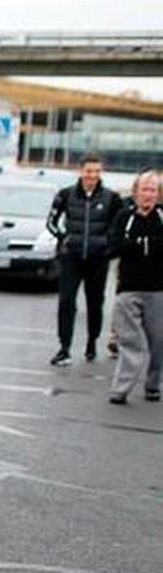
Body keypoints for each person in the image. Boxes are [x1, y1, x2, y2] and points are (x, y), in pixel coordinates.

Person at [45, 154, 123, 365]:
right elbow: (51, 222)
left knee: (95, 303)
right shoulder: (66, 194)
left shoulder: (111, 198)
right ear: (80, 171)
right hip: (71, 257)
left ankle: (91, 342)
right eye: (89, 171)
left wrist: (108, 246)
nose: (93, 176)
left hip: (98, 259)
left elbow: (118, 226)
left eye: (97, 171)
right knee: (66, 301)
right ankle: (64, 347)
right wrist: (64, 238)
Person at [107, 170, 161, 404]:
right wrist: (148, 245)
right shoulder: (124, 217)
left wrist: (139, 244)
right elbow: (115, 246)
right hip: (128, 288)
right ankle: (120, 389)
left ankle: (152, 385)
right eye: (144, 189)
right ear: (135, 192)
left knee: (159, 341)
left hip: (158, 289)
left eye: (153, 190)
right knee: (131, 341)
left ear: (159, 194)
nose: (148, 194)